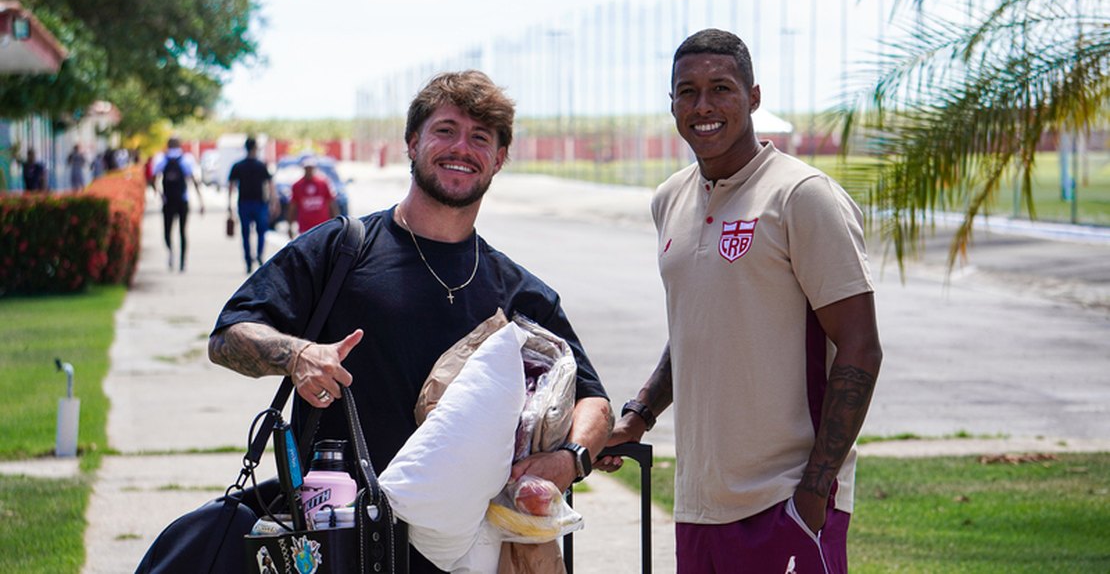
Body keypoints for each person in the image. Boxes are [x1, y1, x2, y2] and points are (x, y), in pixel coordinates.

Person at [208, 70, 613, 573]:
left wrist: (569, 460)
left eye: (480, 138)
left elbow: (593, 400)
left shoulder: (519, 292)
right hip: (340, 543)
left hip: (468, 554)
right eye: (445, 130)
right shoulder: (342, 250)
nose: (460, 148)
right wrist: (297, 355)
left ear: (499, 158)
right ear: (412, 142)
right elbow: (228, 335)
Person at [599, 29, 883, 573]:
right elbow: (700, 324)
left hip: (784, 501)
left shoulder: (801, 196)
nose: (702, 106)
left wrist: (814, 491)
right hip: (699, 504)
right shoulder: (670, 199)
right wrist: (638, 415)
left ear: (753, 97)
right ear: (672, 104)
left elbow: (860, 347)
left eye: (721, 88)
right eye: (687, 92)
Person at [152, 137, 205, 272]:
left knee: (167, 231)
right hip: (183, 200)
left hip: (168, 201)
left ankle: (171, 252)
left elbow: (154, 177)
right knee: (182, 231)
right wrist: (201, 200)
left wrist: (159, 193)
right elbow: (193, 180)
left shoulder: (162, 159)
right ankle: (182, 261)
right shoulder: (186, 159)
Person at [227, 136, 277, 273]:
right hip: (260, 203)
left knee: (246, 234)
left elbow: (231, 186)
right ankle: (259, 255)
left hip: (244, 203)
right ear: (255, 148)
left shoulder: (238, 166)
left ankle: (248, 261)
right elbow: (270, 185)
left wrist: (229, 205)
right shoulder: (261, 165)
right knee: (262, 232)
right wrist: (273, 202)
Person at [286, 156, 338, 237]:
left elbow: (331, 203)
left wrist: (335, 222)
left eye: (311, 168)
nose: (309, 171)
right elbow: (293, 206)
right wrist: (290, 226)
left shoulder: (323, 183)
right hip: (305, 228)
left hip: (322, 225)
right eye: (307, 168)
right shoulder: (297, 185)